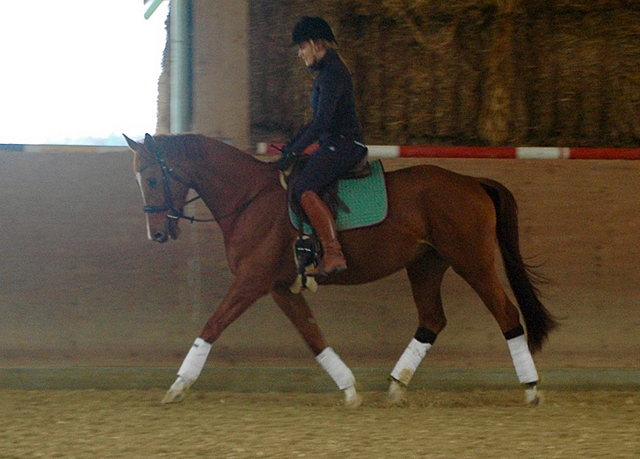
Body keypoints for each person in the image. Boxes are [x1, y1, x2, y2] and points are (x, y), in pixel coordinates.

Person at [278, 16, 367, 276]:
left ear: (317, 45)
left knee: (304, 187)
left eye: (302, 47)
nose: (300, 54)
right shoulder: (327, 74)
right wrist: (291, 145)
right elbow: (316, 123)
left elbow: (321, 124)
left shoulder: (332, 75)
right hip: (334, 142)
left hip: (345, 144)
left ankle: (332, 252)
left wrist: (295, 151)